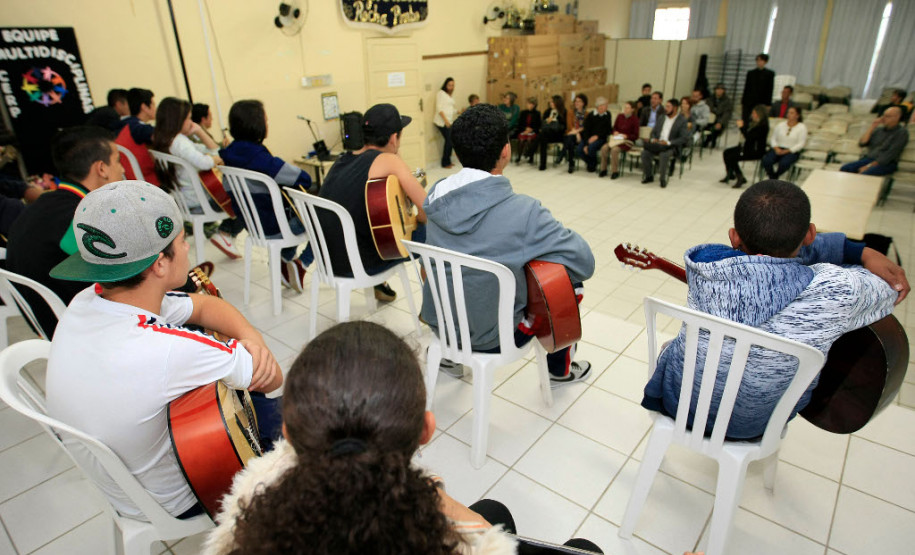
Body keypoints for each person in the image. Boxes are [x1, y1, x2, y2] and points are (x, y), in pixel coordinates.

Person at [202, 321, 603, 555]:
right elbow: (481, 538)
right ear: (426, 430)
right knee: (585, 549)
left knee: (496, 507)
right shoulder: (456, 538)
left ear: (288, 434)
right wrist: (466, 523)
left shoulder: (247, 518)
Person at [46, 180, 284, 519]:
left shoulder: (86, 301)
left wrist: (250, 341)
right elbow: (273, 379)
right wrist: (254, 351)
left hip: (122, 488)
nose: (188, 250)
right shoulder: (168, 350)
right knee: (302, 415)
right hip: (183, 493)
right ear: (159, 264)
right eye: (183, 241)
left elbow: (202, 306)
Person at [642, 180, 908, 440]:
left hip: (680, 404)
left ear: (734, 236)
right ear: (811, 235)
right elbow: (891, 286)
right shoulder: (838, 289)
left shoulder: (706, 269)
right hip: (757, 425)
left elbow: (762, 268)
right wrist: (858, 251)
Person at [420, 104, 595, 386]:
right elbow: (585, 262)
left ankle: (450, 358)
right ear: (506, 150)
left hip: (441, 323)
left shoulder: (437, 194)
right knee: (569, 282)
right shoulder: (524, 211)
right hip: (495, 337)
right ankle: (559, 370)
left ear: (457, 151)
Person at [5, 126, 124, 335]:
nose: (122, 170)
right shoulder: (81, 219)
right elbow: (124, 278)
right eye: (118, 160)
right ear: (102, 168)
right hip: (84, 329)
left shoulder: (46, 205)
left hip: (48, 323)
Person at [318, 103, 427, 303]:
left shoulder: (342, 160)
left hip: (328, 260)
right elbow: (426, 210)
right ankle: (432, 309)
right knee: (434, 234)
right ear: (394, 138)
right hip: (359, 264)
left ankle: (380, 286)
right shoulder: (388, 160)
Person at [219, 99, 316, 291]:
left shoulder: (228, 156)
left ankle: (283, 261)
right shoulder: (260, 158)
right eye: (266, 120)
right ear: (257, 125)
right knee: (324, 219)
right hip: (275, 227)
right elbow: (303, 178)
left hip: (253, 227)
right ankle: (300, 263)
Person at [150, 97, 242, 260]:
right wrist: (215, 160)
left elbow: (212, 149)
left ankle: (225, 235)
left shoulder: (164, 140)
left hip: (185, 201)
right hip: (199, 203)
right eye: (188, 118)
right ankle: (226, 232)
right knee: (246, 200)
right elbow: (207, 160)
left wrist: (199, 131)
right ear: (177, 120)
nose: (191, 122)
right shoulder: (180, 142)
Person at [839, 106, 908, 176]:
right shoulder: (878, 130)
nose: (883, 118)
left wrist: (869, 166)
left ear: (897, 117)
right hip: (869, 159)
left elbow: (890, 155)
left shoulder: (901, 133)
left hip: (886, 163)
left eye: (887, 116)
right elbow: (862, 143)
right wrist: (873, 126)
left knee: (865, 173)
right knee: (846, 168)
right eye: (883, 115)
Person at [641, 98, 690, 189]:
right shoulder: (662, 117)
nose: (665, 108)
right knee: (645, 153)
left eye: (668, 106)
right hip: (658, 143)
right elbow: (654, 132)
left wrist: (668, 142)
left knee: (664, 155)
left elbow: (684, 138)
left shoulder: (681, 120)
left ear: (675, 108)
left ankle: (662, 179)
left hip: (671, 146)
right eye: (666, 106)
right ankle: (649, 176)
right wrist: (654, 138)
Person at [114, 87, 159, 185]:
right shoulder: (138, 128)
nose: (156, 108)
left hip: (130, 181)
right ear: (144, 107)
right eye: (153, 104)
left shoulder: (124, 125)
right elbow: (165, 138)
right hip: (148, 183)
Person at [721, 105, 769, 189]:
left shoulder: (763, 127)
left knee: (732, 157)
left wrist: (741, 127)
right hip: (747, 148)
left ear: (759, 114)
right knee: (726, 152)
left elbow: (749, 137)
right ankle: (730, 174)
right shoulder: (753, 123)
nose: (752, 115)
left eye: (754, 113)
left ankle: (740, 177)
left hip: (755, 151)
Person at [761, 106, 807, 180]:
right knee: (767, 160)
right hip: (778, 148)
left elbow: (801, 143)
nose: (789, 114)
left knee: (784, 163)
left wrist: (787, 151)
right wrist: (776, 148)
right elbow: (773, 138)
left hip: (791, 151)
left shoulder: (802, 127)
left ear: (797, 115)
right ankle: (772, 177)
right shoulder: (780, 125)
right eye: (788, 112)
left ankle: (774, 177)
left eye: (792, 113)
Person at [599, 100, 639, 179]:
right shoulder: (620, 116)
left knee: (614, 150)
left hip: (626, 141)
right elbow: (614, 128)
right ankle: (603, 169)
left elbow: (636, 135)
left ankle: (615, 171)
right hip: (617, 139)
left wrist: (626, 136)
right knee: (604, 148)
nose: (625, 109)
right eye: (625, 107)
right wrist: (615, 132)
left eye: (628, 108)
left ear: (632, 109)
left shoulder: (635, 120)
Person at [576, 96, 612, 173]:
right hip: (589, 138)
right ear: (600, 106)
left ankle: (592, 164)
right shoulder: (591, 115)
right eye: (605, 105)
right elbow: (586, 130)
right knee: (579, 149)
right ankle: (592, 163)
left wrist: (597, 136)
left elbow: (607, 130)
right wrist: (586, 144)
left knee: (591, 147)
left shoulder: (607, 115)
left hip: (601, 138)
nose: (607, 107)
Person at [536, 95, 566, 171]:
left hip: (557, 134)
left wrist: (554, 121)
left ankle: (531, 150)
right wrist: (547, 121)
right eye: (550, 102)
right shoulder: (547, 111)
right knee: (543, 136)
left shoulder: (563, 112)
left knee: (543, 135)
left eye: (552, 102)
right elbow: (542, 124)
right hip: (547, 134)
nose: (551, 103)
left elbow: (564, 126)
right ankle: (543, 164)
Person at [741, 53, 775, 123]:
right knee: (746, 119)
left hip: (761, 101)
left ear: (765, 62)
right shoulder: (751, 73)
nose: (759, 62)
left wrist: (768, 104)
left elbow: (770, 89)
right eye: (758, 60)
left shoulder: (769, 74)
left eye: (761, 60)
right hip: (749, 101)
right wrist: (743, 101)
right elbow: (747, 88)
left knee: (758, 119)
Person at [563, 94, 588, 173]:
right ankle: (571, 163)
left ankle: (563, 154)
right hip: (572, 133)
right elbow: (569, 125)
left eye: (579, 101)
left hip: (582, 135)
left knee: (570, 139)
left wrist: (577, 132)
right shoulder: (570, 112)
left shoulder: (587, 114)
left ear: (583, 103)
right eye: (576, 101)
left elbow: (585, 127)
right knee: (570, 139)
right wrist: (576, 133)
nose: (576, 103)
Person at [434, 78, 457, 169]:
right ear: (445, 85)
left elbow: (449, 108)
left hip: (449, 121)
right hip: (442, 122)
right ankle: (444, 163)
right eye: (449, 85)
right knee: (449, 140)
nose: (451, 87)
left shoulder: (448, 95)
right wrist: (446, 121)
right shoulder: (441, 94)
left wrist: (458, 111)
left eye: (452, 85)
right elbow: (439, 109)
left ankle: (448, 161)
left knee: (450, 141)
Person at [704, 84, 733, 148]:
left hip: (720, 119)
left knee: (716, 127)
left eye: (721, 89)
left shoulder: (727, 101)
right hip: (709, 119)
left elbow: (727, 114)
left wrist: (720, 122)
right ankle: (708, 139)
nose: (719, 91)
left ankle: (709, 139)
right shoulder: (709, 99)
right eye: (718, 89)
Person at [515, 97, 541, 164]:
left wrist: (531, 130)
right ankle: (519, 157)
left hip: (533, 131)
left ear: (535, 105)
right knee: (521, 140)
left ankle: (530, 156)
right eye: (529, 104)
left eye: (532, 104)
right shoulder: (523, 113)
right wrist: (525, 129)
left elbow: (538, 126)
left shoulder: (537, 114)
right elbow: (519, 124)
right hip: (523, 130)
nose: (530, 105)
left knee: (530, 140)